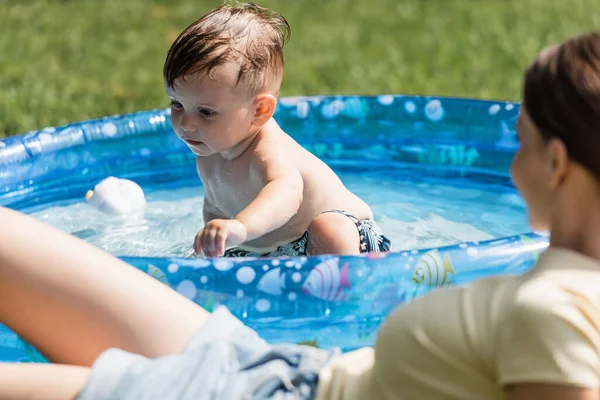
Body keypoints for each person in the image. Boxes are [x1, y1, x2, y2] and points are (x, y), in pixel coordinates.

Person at [1, 28, 600, 400]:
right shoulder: (568, 282)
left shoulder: (552, 311)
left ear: (555, 162)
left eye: (518, 144)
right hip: (285, 368)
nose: (512, 165)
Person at [163, 2, 391, 258]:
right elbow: (216, 206)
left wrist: (240, 227)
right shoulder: (209, 152)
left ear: (259, 111)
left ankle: (345, 288)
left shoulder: (268, 148)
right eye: (177, 104)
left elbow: (287, 192)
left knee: (330, 230)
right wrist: (215, 241)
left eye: (206, 112)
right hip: (285, 249)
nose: (186, 124)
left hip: (354, 239)